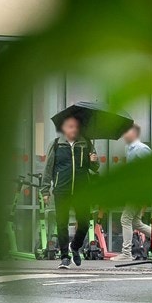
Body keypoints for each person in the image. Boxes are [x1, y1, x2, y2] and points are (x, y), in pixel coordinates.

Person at [44, 114, 98, 268]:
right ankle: (65, 257)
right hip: (62, 190)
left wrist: (94, 162)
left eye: (76, 126)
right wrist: (45, 190)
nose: (74, 129)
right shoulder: (56, 145)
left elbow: (95, 168)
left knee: (85, 223)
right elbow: (48, 169)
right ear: (64, 128)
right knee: (61, 224)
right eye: (70, 126)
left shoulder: (86, 144)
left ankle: (74, 246)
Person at [120, 123, 151, 260]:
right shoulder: (129, 148)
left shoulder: (142, 149)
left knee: (125, 219)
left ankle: (126, 253)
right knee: (136, 223)